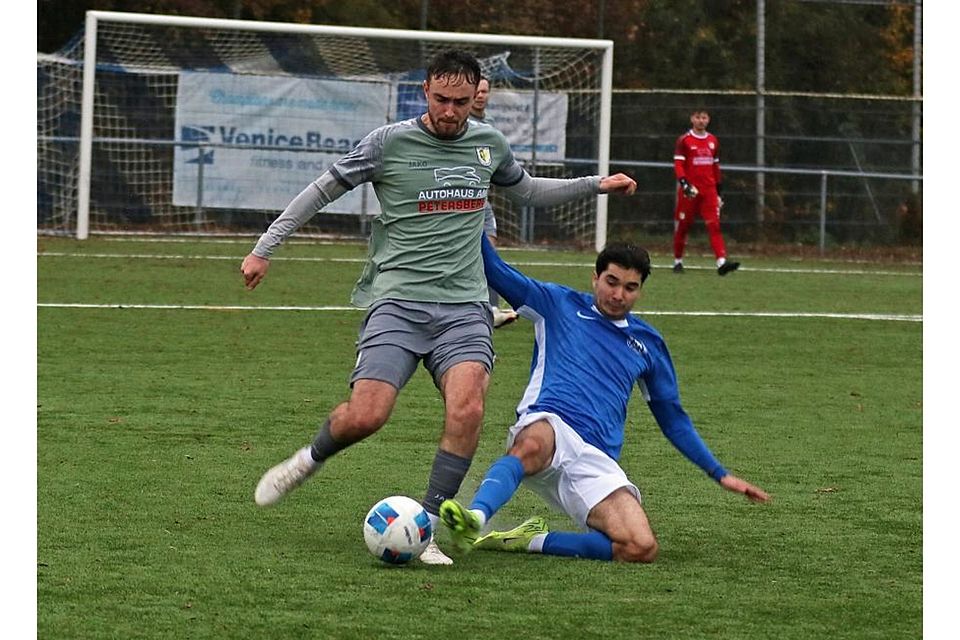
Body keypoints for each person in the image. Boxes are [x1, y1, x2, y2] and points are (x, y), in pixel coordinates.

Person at [241, 49, 638, 566]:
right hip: (398, 303)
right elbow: (321, 190)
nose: (451, 112)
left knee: (468, 407)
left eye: (461, 102)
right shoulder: (388, 143)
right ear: (425, 91)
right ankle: (309, 458)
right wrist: (264, 247)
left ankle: (425, 525)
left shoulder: (488, 144)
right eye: (441, 99)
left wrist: (595, 184)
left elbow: (529, 193)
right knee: (367, 415)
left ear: (476, 97)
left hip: (465, 306)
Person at [439, 234, 770, 562]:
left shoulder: (648, 343)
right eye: (611, 282)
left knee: (639, 547)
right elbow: (495, 269)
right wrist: (470, 213)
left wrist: (719, 473)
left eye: (630, 287)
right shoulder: (556, 304)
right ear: (595, 277)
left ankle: (526, 541)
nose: (618, 294)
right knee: (534, 443)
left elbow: (673, 420)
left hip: (596, 458)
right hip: (550, 424)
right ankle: (476, 518)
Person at [470, 76, 517, 328]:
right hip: (463, 201)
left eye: (485, 91)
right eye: (477, 90)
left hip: (483, 202)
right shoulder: (460, 122)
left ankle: (491, 308)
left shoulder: (488, 126)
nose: (480, 95)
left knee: (489, 256)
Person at [671, 108, 740, 276]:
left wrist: (719, 190)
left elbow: (715, 167)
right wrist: (684, 183)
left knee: (714, 225)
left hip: (709, 191)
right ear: (692, 119)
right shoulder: (684, 140)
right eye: (697, 117)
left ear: (708, 119)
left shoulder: (713, 140)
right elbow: (679, 164)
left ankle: (721, 262)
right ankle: (678, 261)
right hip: (690, 191)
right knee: (684, 226)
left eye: (704, 117)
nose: (701, 120)